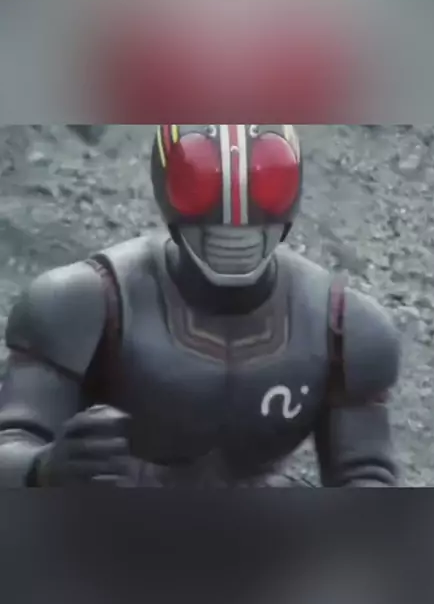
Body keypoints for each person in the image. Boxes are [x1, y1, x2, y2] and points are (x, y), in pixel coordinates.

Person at [0, 125, 401, 487]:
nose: (234, 228)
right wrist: (44, 468)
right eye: (200, 189)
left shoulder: (346, 327)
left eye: (267, 190)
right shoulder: (84, 303)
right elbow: (12, 445)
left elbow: (365, 475)